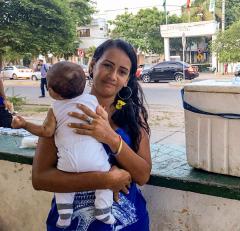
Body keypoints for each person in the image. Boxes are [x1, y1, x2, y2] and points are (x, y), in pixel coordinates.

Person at [32, 39, 152, 231]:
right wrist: (105, 180)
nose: (113, 76)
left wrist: (110, 137)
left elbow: (143, 175)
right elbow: (40, 178)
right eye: (107, 65)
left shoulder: (133, 117)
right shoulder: (63, 111)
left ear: (127, 80)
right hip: (71, 224)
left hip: (129, 224)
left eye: (122, 72)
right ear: (92, 65)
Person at [12, 62, 116, 228]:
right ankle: (103, 209)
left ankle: (64, 215)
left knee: (63, 187)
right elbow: (102, 118)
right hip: (95, 163)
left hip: (67, 164)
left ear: (52, 91)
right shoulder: (92, 100)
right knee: (106, 181)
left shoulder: (54, 108)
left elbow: (46, 131)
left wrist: (24, 124)